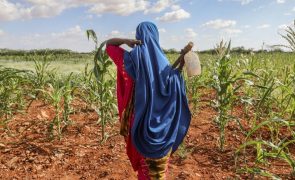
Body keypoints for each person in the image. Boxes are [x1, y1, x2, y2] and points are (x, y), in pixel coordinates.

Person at [106, 21, 191, 180]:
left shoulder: (130, 59)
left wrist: (125, 41)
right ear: (157, 37)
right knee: (159, 171)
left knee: (145, 170)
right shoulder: (165, 65)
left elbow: (109, 46)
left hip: (140, 125)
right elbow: (175, 88)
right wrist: (179, 69)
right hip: (165, 128)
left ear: (138, 37)